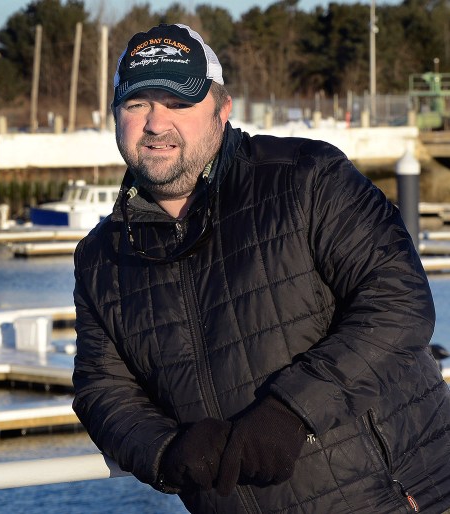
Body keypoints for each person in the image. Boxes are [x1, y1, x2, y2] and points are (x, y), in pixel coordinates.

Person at [72, 23, 450, 513]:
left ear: (222, 109)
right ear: (116, 115)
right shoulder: (101, 257)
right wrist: (165, 452)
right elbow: (104, 391)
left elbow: (399, 305)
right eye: (138, 103)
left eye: (180, 103)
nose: (156, 122)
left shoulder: (306, 178)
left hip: (403, 499)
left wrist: (292, 412)